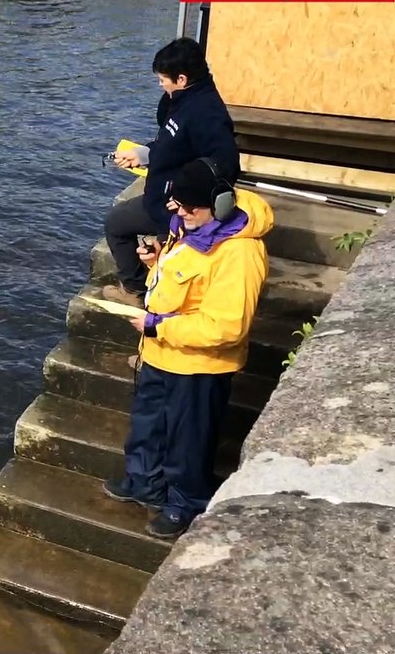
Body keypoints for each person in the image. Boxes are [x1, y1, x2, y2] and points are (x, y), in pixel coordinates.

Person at [102, 158, 272, 540]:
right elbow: (181, 283)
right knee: (147, 424)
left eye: (186, 206)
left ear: (221, 205)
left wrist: (159, 325)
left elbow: (226, 327)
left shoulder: (240, 255)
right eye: (175, 204)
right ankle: (142, 482)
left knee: (188, 440)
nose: (176, 212)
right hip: (161, 354)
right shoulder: (191, 226)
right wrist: (155, 262)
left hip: (199, 366)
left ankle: (185, 503)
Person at [103, 37, 241, 307]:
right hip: (157, 197)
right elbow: (173, 143)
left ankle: (146, 302)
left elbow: (225, 165)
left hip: (176, 209)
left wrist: (186, 201)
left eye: (163, 79)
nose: (160, 84)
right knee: (116, 222)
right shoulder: (182, 99)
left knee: (126, 234)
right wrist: (143, 154)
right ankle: (135, 288)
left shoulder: (207, 114)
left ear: (181, 78)